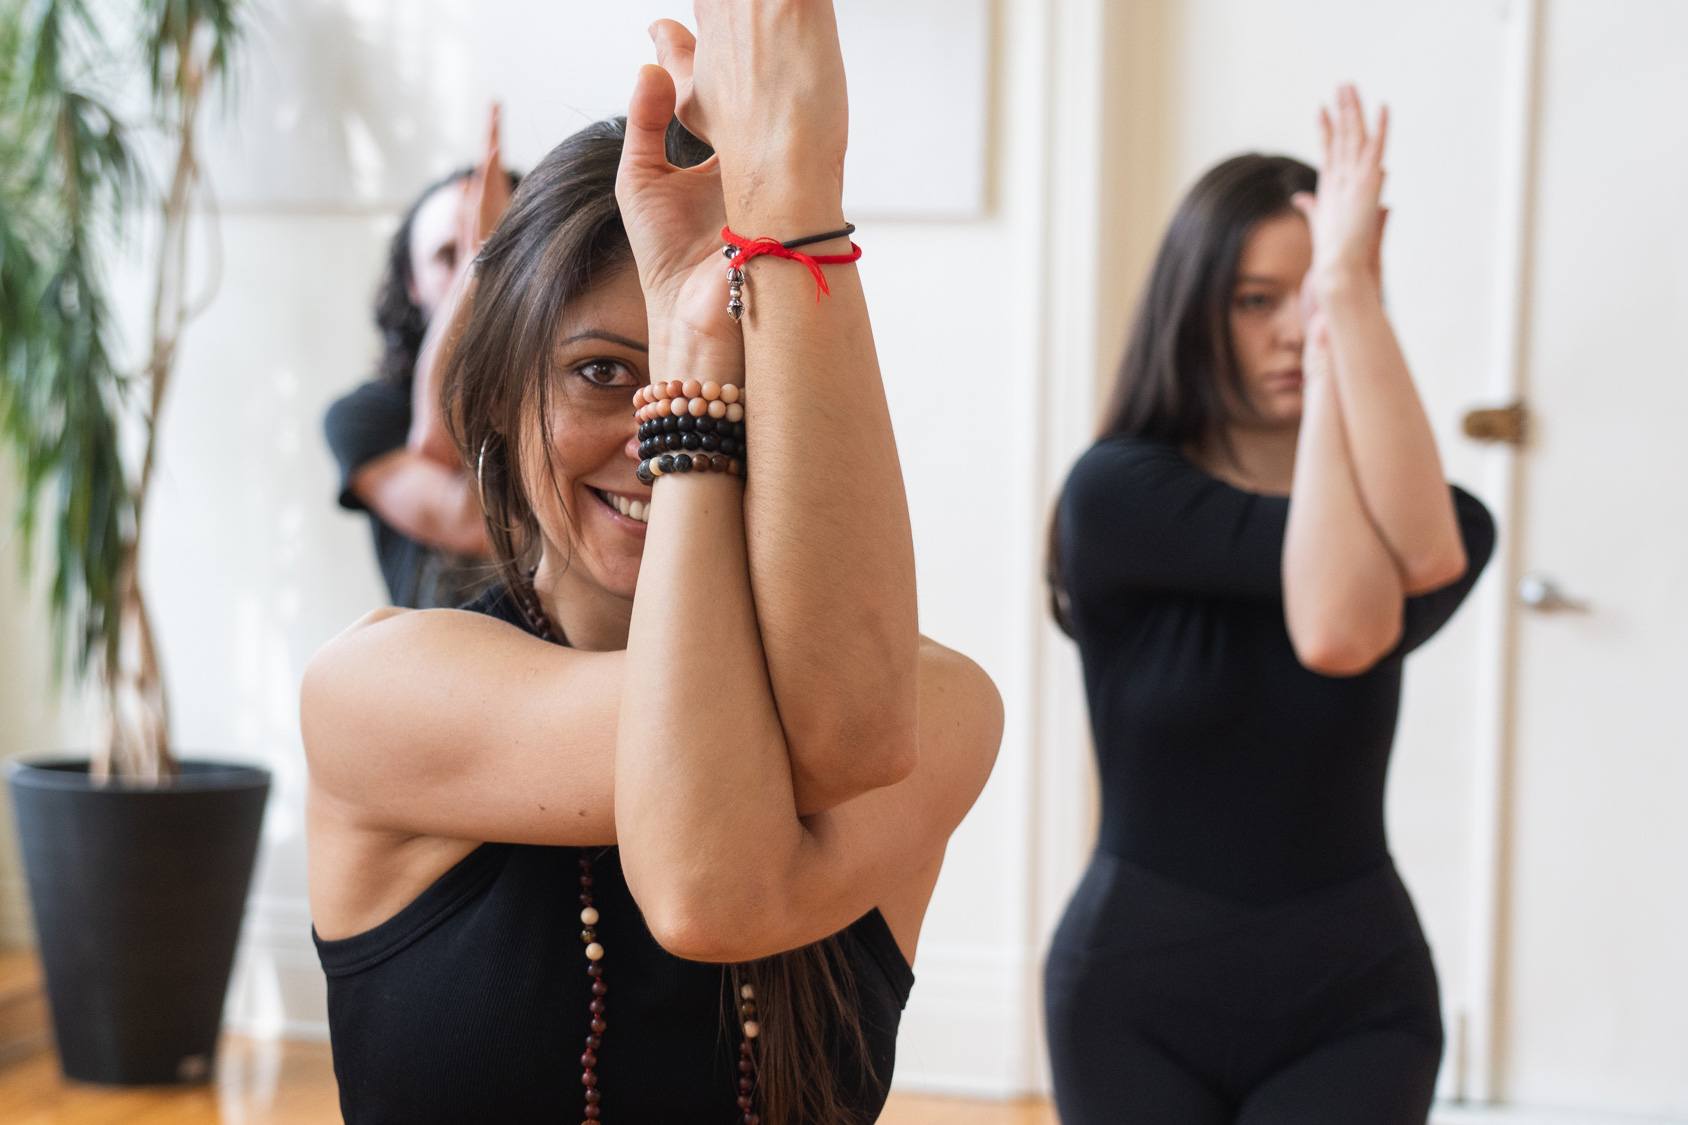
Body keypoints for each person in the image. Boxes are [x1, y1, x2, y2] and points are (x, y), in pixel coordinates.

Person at [301, 8, 1003, 1124]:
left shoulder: (939, 707)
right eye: (597, 371)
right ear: (496, 399)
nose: (654, 422)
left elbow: (817, 764)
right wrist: (704, 383)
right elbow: (711, 866)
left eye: (719, 368)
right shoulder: (373, 693)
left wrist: (799, 196)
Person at [1044, 88, 1497, 1124]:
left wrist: (1351, 302)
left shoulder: (1442, 524)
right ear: (1193, 310)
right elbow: (1342, 601)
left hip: (1358, 1003)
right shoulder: (1116, 495)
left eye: (1316, 296)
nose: (1296, 330)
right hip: (1131, 1001)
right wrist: (1340, 291)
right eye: (1257, 299)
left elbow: (1375, 588)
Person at [323, 110, 516, 608]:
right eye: (448, 256)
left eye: (512, 250)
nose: (474, 270)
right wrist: (487, 257)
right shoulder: (363, 416)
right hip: (441, 672)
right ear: (411, 283)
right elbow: (471, 520)